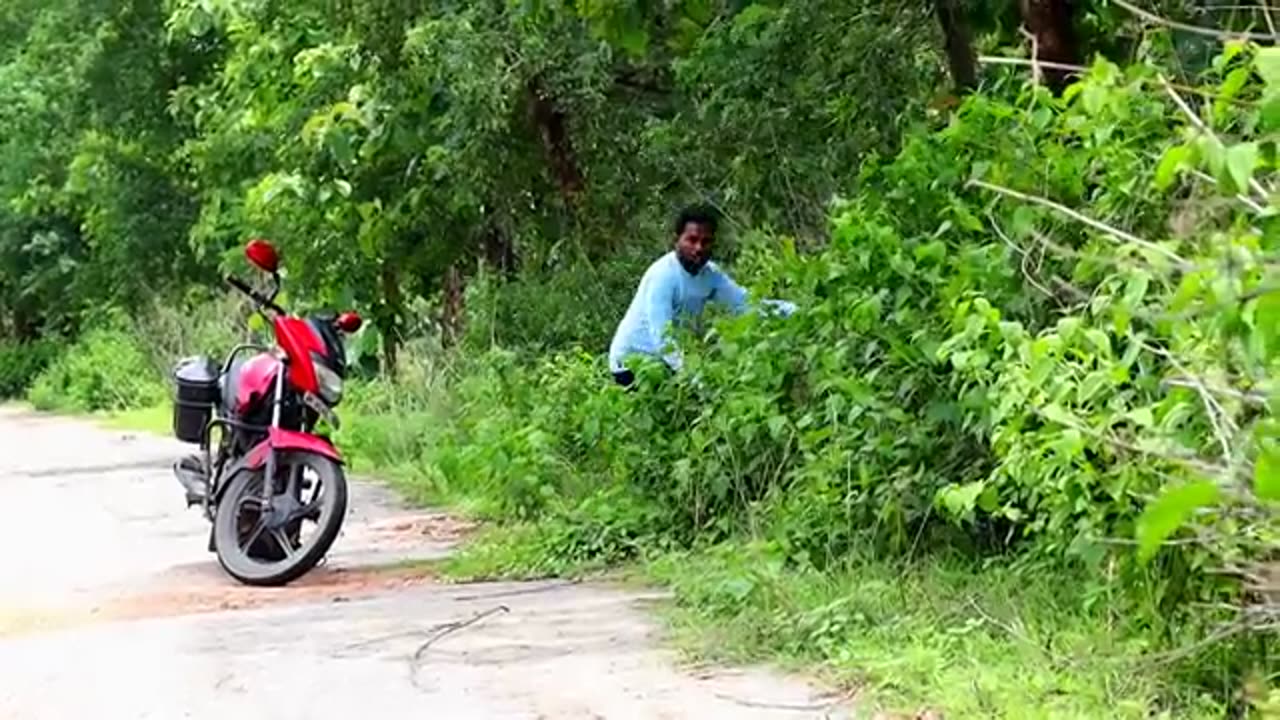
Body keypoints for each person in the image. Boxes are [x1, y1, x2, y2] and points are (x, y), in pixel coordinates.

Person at [608, 205, 795, 387]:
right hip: (632, 365)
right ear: (677, 239)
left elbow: (745, 304)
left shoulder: (711, 275)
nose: (698, 248)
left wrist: (792, 310)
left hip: (667, 362)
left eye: (706, 242)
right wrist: (695, 376)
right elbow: (662, 337)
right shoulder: (663, 276)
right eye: (692, 239)